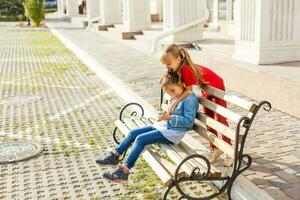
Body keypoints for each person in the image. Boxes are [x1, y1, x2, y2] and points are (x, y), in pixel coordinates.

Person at [96, 73, 199, 183]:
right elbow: (173, 113)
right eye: (168, 92)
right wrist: (163, 114)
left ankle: (124, 171)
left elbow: (189, 122)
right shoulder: (177, 95)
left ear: (181, 84)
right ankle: (114, 156)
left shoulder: (190, 99)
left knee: (140, 139)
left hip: (173, 133)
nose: (171, 94)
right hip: (164, 127)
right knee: (133, 133)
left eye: (173, 91)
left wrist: (169, 117)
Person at [160, 44, 232, 166]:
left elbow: (188, 91)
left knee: (220, 120)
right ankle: (214, 148)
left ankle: (228, 151)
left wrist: (175, 103)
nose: (168, 67)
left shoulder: (185, 69)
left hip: (216, 88)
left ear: (178, 59)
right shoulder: (177, 69)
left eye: (169, 63)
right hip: (206, 89)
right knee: (209, 120)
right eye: (165, 64)